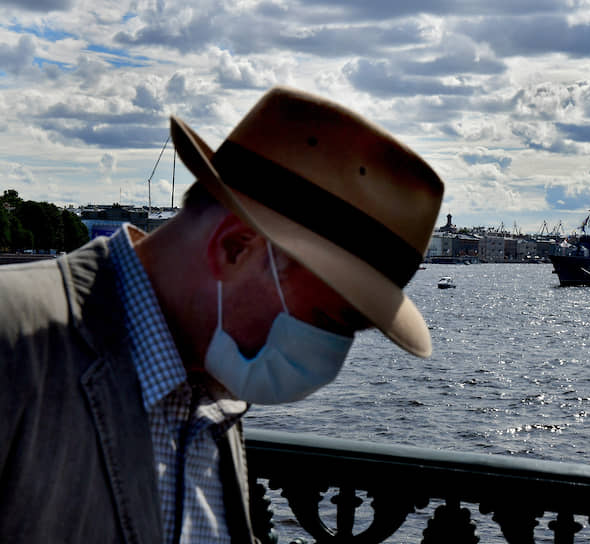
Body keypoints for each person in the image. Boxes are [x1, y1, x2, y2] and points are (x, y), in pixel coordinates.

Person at [0, 86, 444, 543]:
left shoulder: (211, 398)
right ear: (235, 248)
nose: (332, 358)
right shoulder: (13, 345)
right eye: (330, 322)